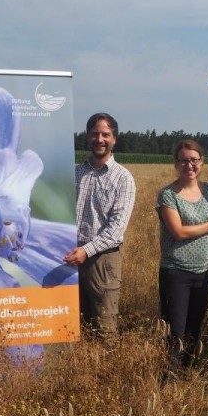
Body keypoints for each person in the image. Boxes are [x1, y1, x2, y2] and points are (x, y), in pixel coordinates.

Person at [157, 139, 208, 373]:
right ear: (176, 163)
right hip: (176, 273)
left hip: (204, 272)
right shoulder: (168, 195)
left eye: (194, 160)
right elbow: (179, 232)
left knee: (194, 329)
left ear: (202, 162)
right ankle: (167, 380)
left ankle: (188, 375)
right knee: (176, 332)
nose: (189, 165)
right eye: (183, 160)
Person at [64, 113, 136, 334]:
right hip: (68, 255)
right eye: (94, 134)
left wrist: (86, 250)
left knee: (104, 329)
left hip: (103, 260)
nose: (99, 139)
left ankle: (105, 368)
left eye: (105, 134)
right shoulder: (74, 172)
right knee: (71, 323)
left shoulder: (123, 178)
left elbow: (116, 228)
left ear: (114, 139)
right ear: (87, 138)